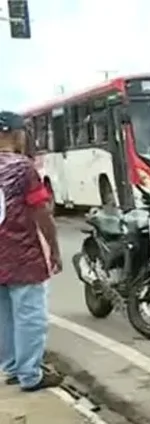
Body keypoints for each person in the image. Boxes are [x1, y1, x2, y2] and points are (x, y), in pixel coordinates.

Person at [0, 111, 63, 391]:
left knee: (4, 317)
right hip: (22, 255)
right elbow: (41, 212)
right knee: (29, 315)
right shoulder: (23, 168)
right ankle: (30, 374)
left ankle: (12, 367)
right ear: (15, 134)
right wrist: (54, 248)